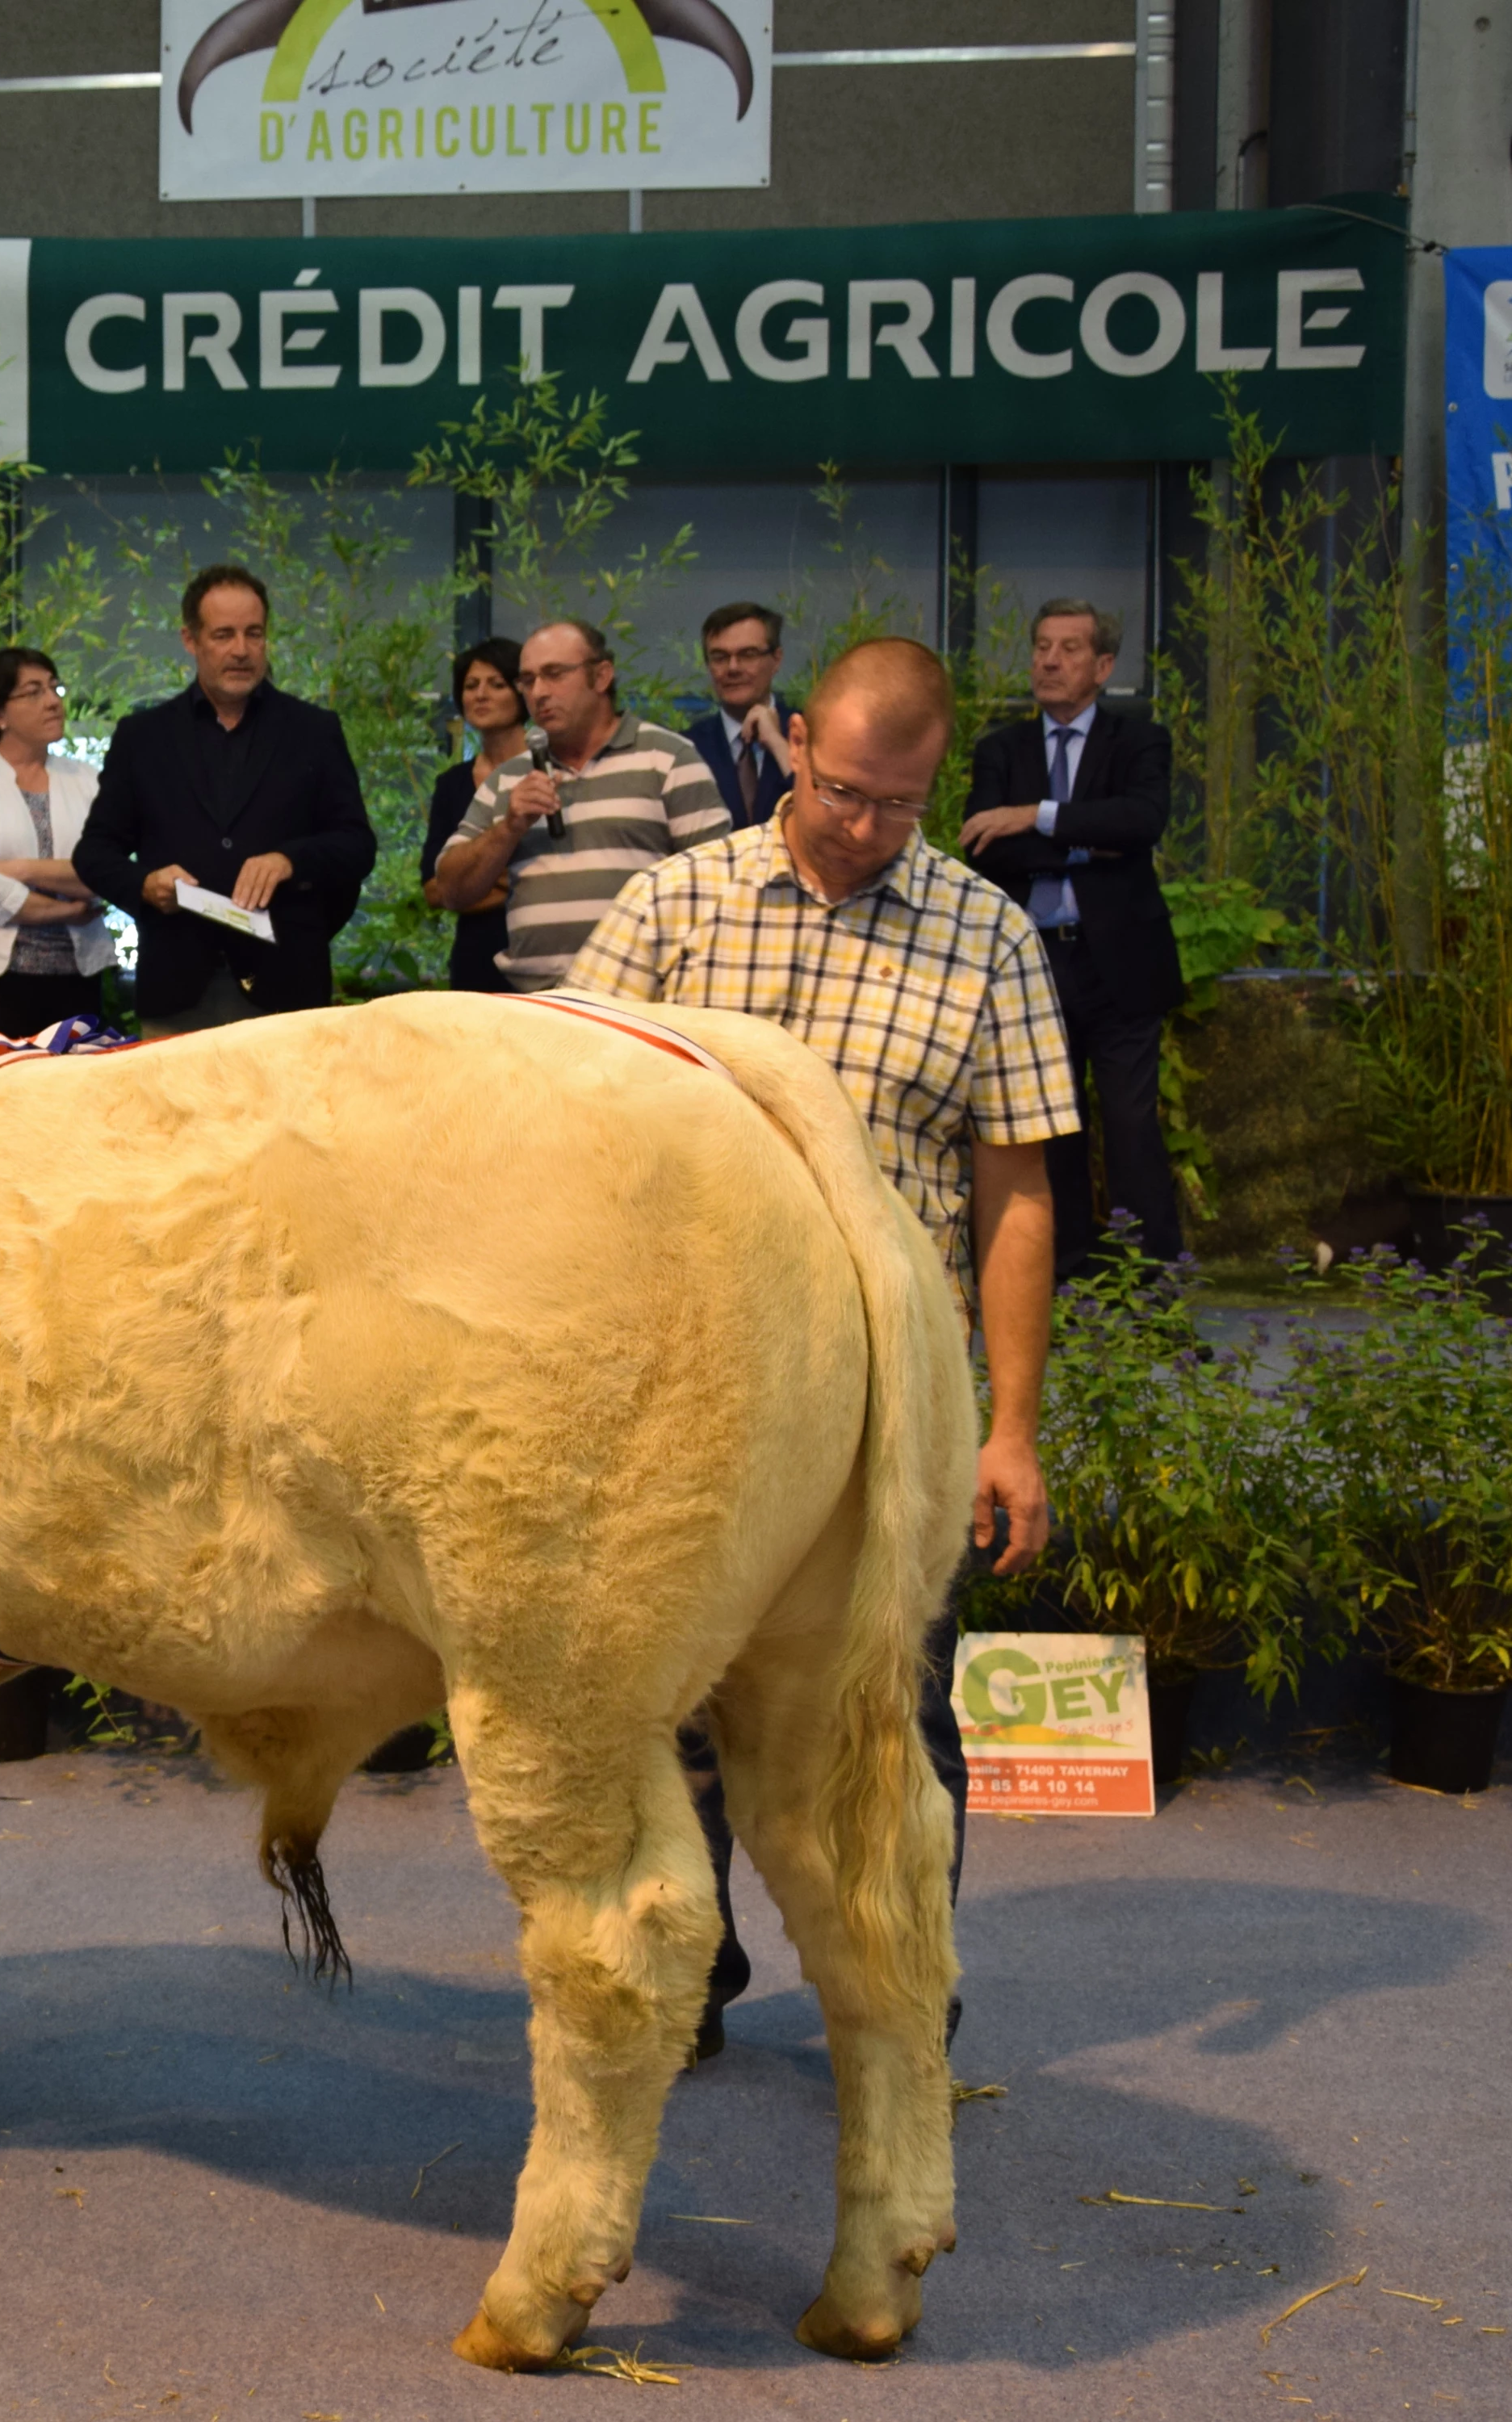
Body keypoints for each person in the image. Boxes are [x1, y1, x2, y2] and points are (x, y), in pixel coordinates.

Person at [564, 635, 1076, 2060]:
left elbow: (1017, 1193)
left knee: (893, 1707)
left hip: (888, 1393)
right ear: (796, 742)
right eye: (842, 789)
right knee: (666, 1694)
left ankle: (903, 1978)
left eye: (896, 806)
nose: (861, 827)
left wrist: (1011, 1428)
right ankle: (694, 1967)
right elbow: (572, 1133)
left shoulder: (987, 939)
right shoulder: (674, 905)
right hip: (683, 1380)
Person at [960, 599, 1186, 1276]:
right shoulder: (1000, 748)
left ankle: (1153, 1291)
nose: (1049, 661)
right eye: (1041, 647)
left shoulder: (1139, 741)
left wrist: (1036, 816)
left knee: (1132, 1125)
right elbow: (984, 849)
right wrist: (1088, 846)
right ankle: (1061, 1281)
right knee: (1049, 1129)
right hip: (1034, 965)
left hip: (1119, 962)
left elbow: (1141, 822)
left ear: (1104, 665)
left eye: (1068, 649)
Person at [73, 565, 374, 1033]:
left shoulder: (314, 731)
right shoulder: (143, 737)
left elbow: (357, 845)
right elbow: (94, 853)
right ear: (190, 640)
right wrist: (145, 885)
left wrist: (289, 859)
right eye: (224, 635)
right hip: (176, 985)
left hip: (287, 986)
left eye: (254, 634)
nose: (241, 650)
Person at [427, 618, 727, 991]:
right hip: (535, 1001)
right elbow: (451, 889)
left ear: (601, 677)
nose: (539, 692)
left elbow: (720, 888)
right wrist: (508, 828)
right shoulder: (509, 778)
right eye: (528, 680)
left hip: (640, 1001)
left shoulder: (667, 758)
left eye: (554, 675)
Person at [0, 646, 117, 1037]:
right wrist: (67, 910)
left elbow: (106, 871)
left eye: (54, 688)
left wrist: (19, 870)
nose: (52, 702)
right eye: (33, 692)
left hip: (76, 979)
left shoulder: (89, 780)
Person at [418, 638, 530, 995]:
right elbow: (435, 890)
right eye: (471, 685)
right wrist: (508, 875)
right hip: (475, 955)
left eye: (496, 684)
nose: (481, 694)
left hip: (540, 950)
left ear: (522, 693)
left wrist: (472, 877)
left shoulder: (548, 771)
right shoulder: (451, 784)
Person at [689, 601, 790, 831]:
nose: (733, 668)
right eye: (720, 657)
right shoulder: (687, 748)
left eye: (748, 654)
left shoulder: (809, 734)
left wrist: (777, 743)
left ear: (776, 660)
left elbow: (823, 808)